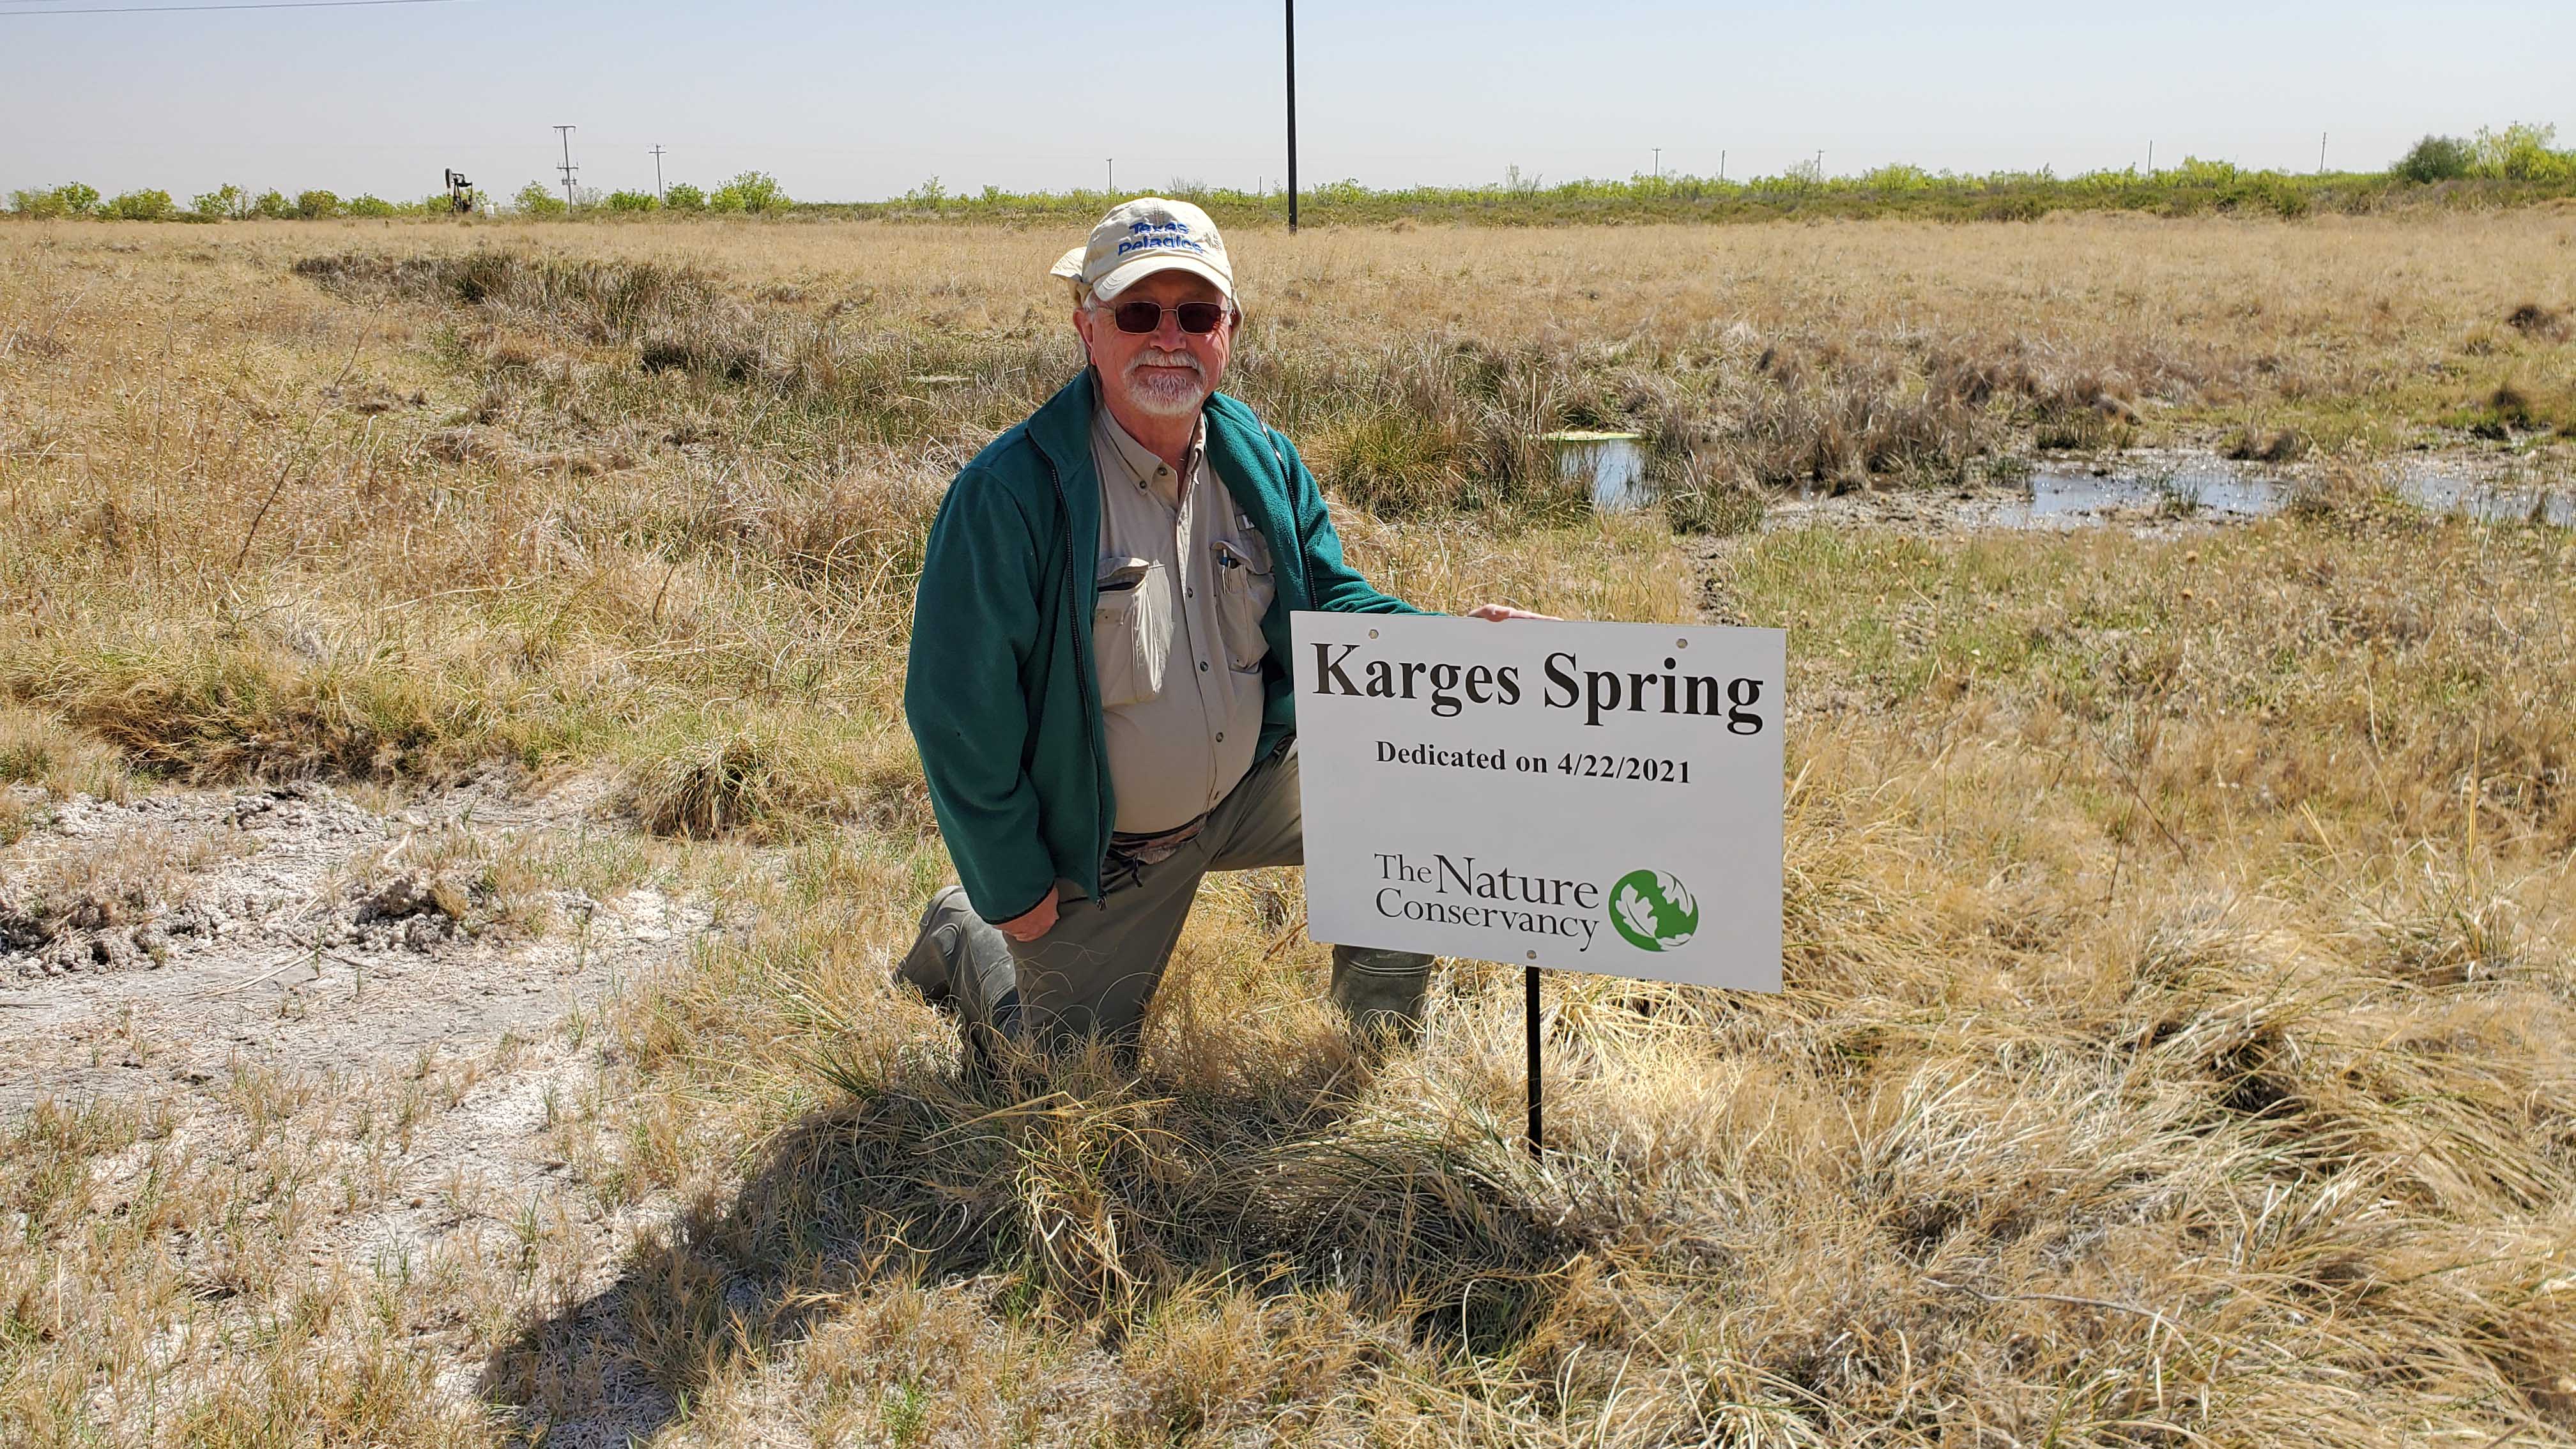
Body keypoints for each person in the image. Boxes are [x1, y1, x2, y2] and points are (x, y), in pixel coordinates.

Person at [898, 197, 1547, 1073]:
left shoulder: (1263, 461)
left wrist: (1456, 643)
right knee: (1065, 1074)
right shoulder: (1010, 494)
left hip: (1250, 784)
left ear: (1229, 332)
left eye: (1196, 315)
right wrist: (1013, 885)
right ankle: (963, 933)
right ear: (1088, 329)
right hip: (1106, 847)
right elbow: (956, 707)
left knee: (1410, 791)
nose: (1169, 338)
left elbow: (1330, 612)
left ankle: (1376, 1042)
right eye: (1139, 313)